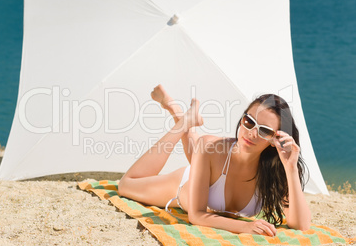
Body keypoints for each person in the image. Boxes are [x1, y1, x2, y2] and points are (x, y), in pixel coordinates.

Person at [118, 84, 311, 237]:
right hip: (184, 185)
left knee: (200, 148)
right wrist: (244, 227)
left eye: (264, 130)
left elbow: (301, 225)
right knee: (126, 186)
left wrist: (291, 167)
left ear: (274, 139)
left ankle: (184, 115)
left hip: (214, 162)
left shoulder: (276, 169)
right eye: (249, 122)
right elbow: (196, 215)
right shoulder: (210, 148)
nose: (251, 133)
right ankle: (184, 121)